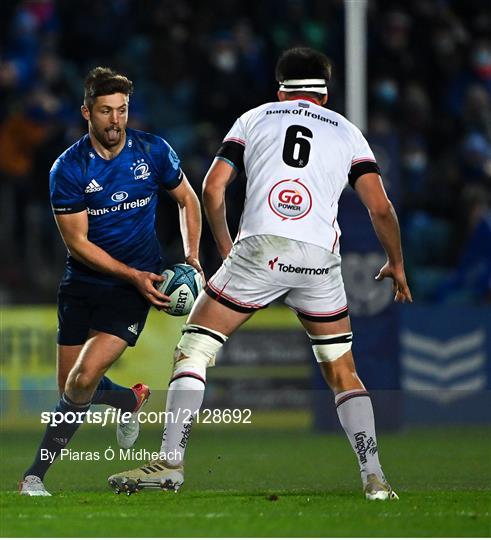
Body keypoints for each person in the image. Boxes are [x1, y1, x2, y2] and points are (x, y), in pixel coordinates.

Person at [109, 47, 412, 500]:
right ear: (325, 95)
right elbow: (380, 207)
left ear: (280, 89)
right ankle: (375, 477)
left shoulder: (255, 118)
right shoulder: (349, 133)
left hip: (261, 249)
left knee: (194, 348)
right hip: (319, 260)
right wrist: (397, 263)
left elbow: (213, 187)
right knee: (343, 372)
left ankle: (171, 463)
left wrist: (225, 242)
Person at [19, 67, 202, 496]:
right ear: (87, 112)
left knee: (82, 381)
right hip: (84, 283)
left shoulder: (153, 152)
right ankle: (128, 399)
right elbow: (78, 244)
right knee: (72, 387)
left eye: (121, 110)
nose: (115, 120)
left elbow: (187, 199)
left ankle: (34, 477)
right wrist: (132, 274)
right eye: (105, 111)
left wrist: (192, 257)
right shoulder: (68, 168)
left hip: (132, 291)